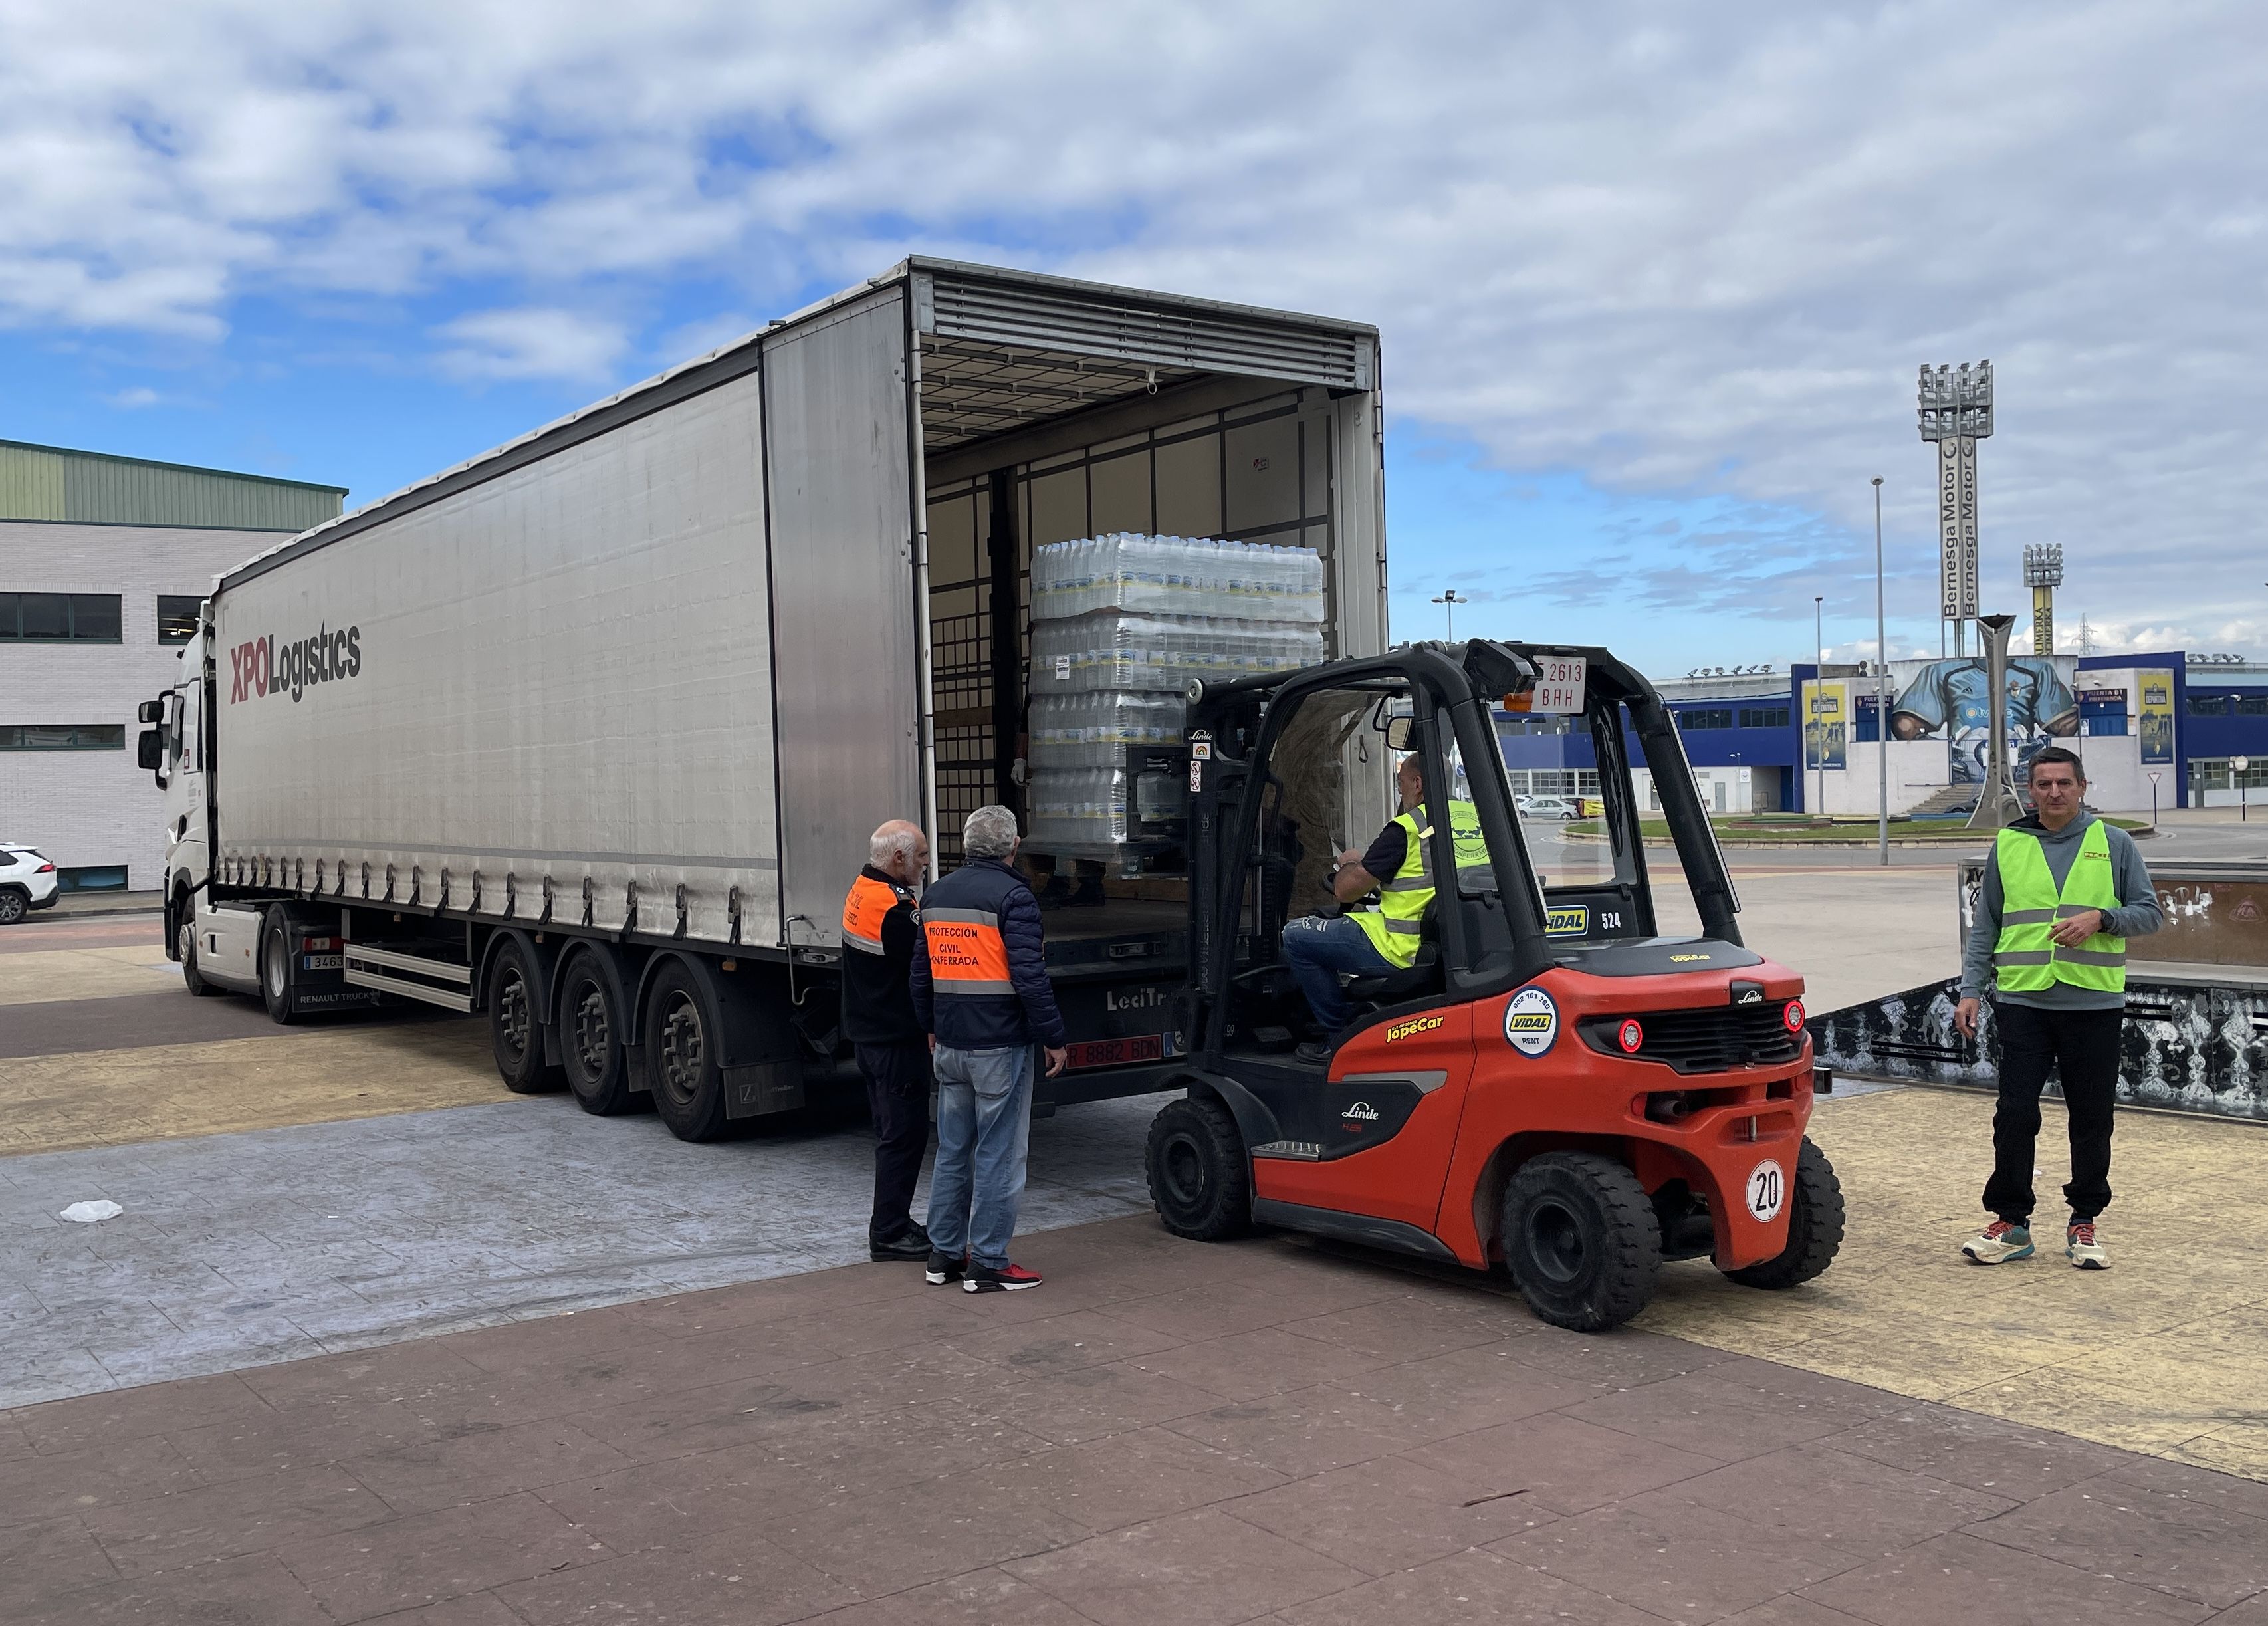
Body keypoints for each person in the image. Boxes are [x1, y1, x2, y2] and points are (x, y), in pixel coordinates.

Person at [1955, 745, 2161, 1270]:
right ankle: (2012, 1222)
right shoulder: (2008, 845)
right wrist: (1971, 989)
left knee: (2092, 1119)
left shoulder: (2113, 843)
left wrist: (2102, 918)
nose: (2053, 793)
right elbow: (1987, 927)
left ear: (2083, 788)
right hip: (2024, 1001)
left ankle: (2084, 1220)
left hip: (2092, 1004)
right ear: (2031, 790)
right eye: (2043, 784)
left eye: (2063, 784)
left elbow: (2149, 914)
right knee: (2015, 1115)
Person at [910, 804, 1068, 1292]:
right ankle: (990, 1263)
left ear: (966, 845)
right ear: (1014, 847)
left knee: (953, 1150)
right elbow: (1029, 976)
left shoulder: (935, 894)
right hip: (1000, 1045)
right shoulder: (1014, 898)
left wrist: (930, 1026)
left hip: (952, 1042)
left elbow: (921, 973)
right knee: (999, 1154)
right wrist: (1055, 1038)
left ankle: (944, 1255)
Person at [1280, 750, 1487, 1065]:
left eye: (1401, 782)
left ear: (1417, 783)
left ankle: (1336, 1036)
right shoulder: (1477, 819)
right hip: (1459, 944)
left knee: (1297, 937)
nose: (1400, 790)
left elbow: (1344, 890)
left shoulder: (1408, 828)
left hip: (1401, 946)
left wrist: (1349, 863)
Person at [839, 820, 936, 1262]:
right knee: (904, 1136)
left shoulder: (863, 887)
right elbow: (932, 956)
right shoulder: (895, 910)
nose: (926, 863)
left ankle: (894, 1221)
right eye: (920, 855)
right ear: (898, 859)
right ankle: (890, 1231)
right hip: (895, 1041)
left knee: (890, 1133)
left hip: (869, 1034)